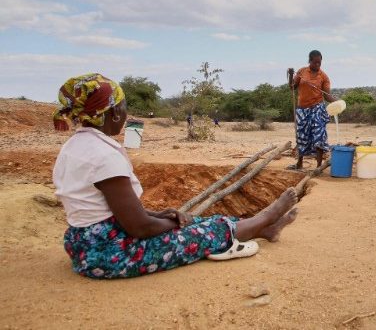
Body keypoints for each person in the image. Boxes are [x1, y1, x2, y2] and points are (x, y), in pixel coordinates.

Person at [52, 73, 299, 279]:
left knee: (201, 221)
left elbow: (105, 209)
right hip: (111, 253)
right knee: (203, 230)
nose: (126, 114)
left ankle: (264, 229)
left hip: (85, 244)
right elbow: (141, 227)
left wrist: (158, 214)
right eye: (124, 107)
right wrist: (173, 223)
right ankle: (265, 218)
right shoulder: (103, 156)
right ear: (113, 113)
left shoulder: (74, 147)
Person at [287, 50, 337, 169]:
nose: (317, 65)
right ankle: (299, 163)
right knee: (301, 135)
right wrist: (290, 76)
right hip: (302, 109)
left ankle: (318, 166)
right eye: (315, 62)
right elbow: (292, 87)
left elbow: (327, 95)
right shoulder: (301, 72)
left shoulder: (323, 76)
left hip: (317, 108)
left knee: (319, 135)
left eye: (319, 63)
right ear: (309, 61)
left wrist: (337, 101)